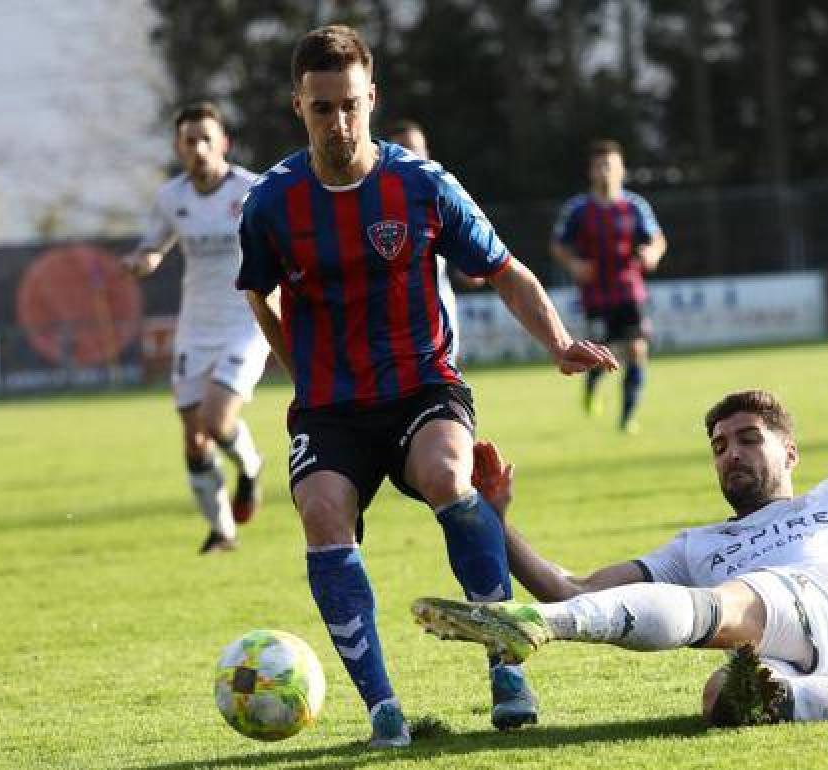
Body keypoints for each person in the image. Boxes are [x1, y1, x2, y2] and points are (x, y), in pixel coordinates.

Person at [413, 227, 828, 727]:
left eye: (748, 438)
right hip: (804, 657)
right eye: (719, 445)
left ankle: (535, 632)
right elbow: (573, 587)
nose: (731, 453)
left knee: (736, 604)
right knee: (724, 698)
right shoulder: (696, 548)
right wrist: (498, 522)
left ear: (791, 453)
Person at [235, 25, 618, 748]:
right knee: (322, 513)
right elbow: (259, 297)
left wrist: (559, 342)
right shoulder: (271, 203)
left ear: (372, 98)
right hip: (332, 409)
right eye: (322, 108)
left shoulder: (422, 184)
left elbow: (503, 269)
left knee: (448, 473)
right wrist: (300, 374)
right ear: (298, 107)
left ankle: (506, 663)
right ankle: (383, 710)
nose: (339, 123)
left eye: (350, 105)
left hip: (422, 388)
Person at [121, 101, 269, 555]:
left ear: (223, 142)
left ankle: (250, 468)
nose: (200, 148)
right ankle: (222, 532)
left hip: (245, 321)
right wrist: (142, 261)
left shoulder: (251, 190)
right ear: (179, 148)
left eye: (208, 139)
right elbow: (154, 245)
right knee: (193, 438)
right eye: (190, 141)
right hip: (195, 328)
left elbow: (281, 241)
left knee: (216, 418)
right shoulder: (171, 198)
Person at [550, 140, 667, 433]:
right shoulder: (578, 209)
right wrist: (574, 265)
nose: (605, 171)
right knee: (601, 354)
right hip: (595, 295)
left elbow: (658, 239)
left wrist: (652, 253)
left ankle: (627, 417)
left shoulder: (635, 206)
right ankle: (590, 389)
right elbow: (557, 245)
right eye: (599, 166)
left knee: (637, 350)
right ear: (591, 171)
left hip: (629, 289)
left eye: (610, 166)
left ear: (621, 170)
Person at [382, 119, 484, 360]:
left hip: (436, 317)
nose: (410, 158)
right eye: (401, 151)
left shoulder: (442, 192)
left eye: (415, 150)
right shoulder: (372, 199)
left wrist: (472, 266)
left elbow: (477, 261)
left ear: (426, 152)